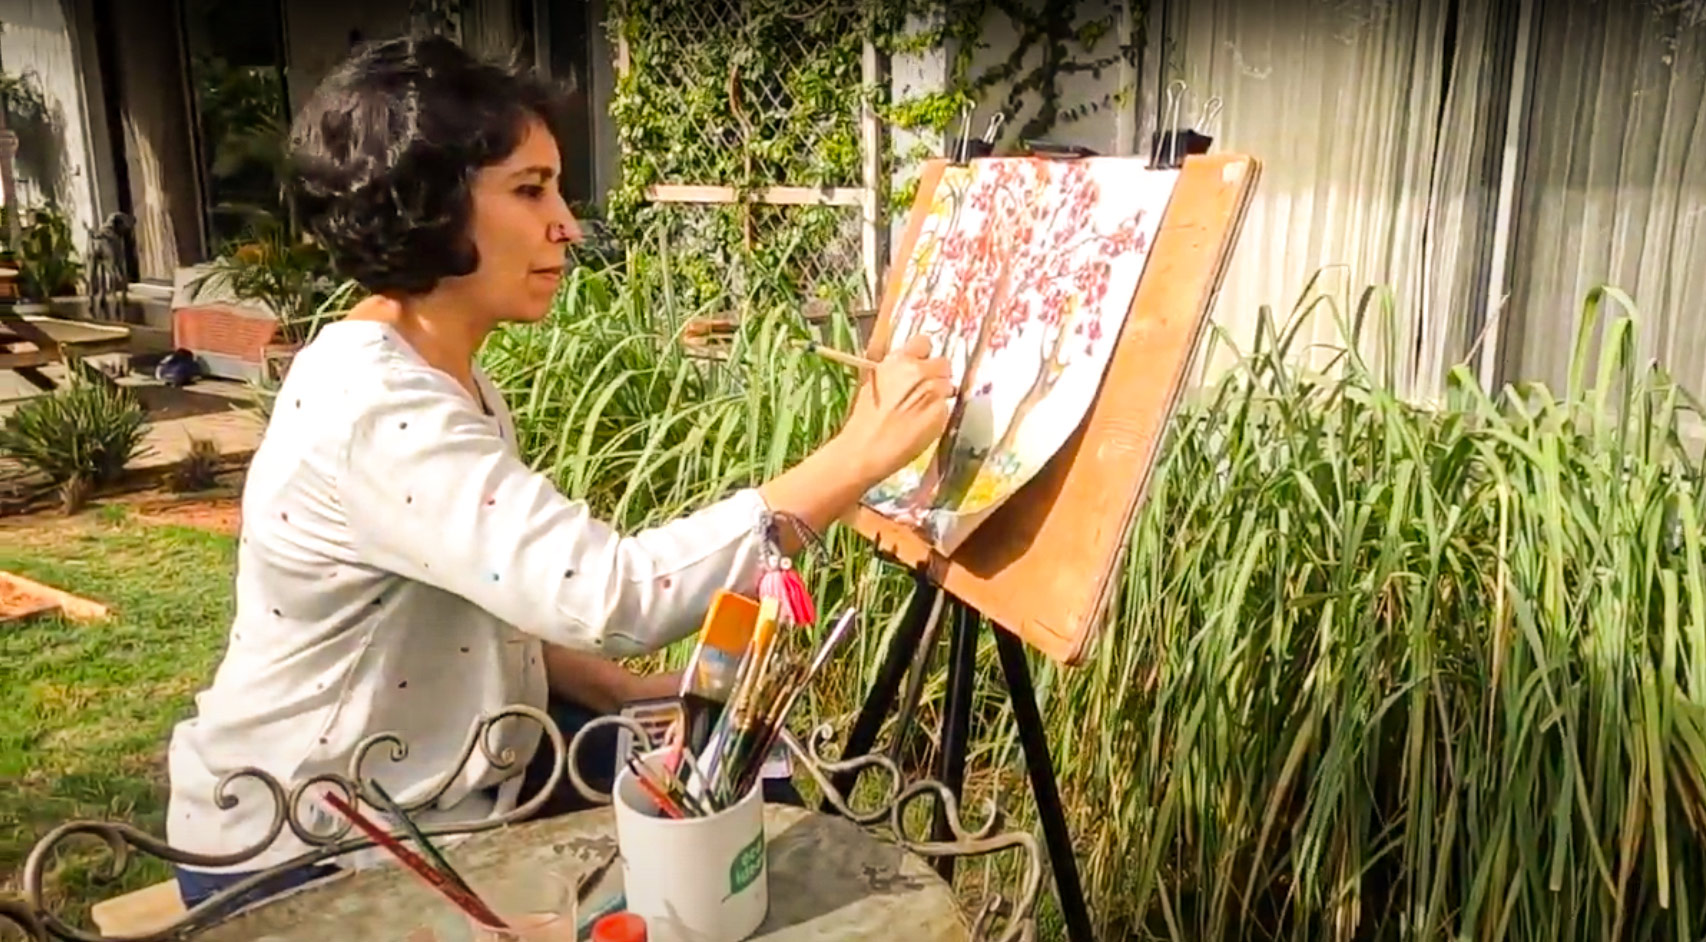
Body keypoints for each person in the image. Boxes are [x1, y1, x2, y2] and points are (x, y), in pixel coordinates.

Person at [163, 33, 952, 916]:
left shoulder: (439, 373)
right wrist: (857, 457)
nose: (567, 224)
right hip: (310, 844)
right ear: (430, 205)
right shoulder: (379, 409)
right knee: (724, 864)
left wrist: (619, 694)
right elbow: (609, 595)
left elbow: (494, 596)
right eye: (530, 189)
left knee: (737, 783)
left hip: (453, 780)